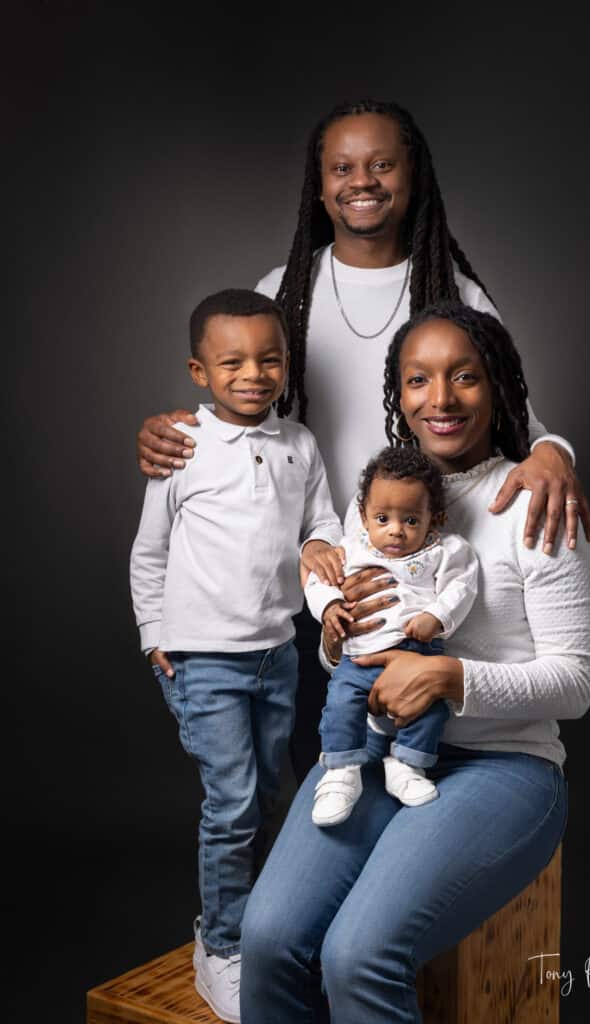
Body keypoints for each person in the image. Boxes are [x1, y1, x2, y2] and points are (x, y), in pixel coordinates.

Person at [134, 98, 590, 780]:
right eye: (342, 166)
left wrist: (556, 451)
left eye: (382, 164)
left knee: (402, 767)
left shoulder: (453, 290)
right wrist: (173, 429)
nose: (363, 180)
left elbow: (511, 409)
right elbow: (241, 404)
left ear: (413, 178)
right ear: (318, 186)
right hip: (316, 582)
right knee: (306, 774)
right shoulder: (285, 288)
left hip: (419, 568)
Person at [238, 302, 590, 1024]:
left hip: (501, 767)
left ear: (496, 385)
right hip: (370, 755)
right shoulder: (378, 502)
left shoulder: (536, 501)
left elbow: (575, 684)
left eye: (463, 376)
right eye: (417, 380)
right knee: (269, 940)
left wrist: (449, 676)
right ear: (397, 395)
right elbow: (348, 634)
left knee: (358, 954)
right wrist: (336, 636)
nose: (440, 399)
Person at [129, 288, 342, 1023]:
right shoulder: (185, 445)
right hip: (204, 661)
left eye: (269, 359)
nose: (253, 373)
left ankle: (263, 932)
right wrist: (155, 636)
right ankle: (220, 946)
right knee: (231, 806)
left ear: (286, 366)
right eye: (232, 362)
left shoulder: (301, 445)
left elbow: (323, 518)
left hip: (278, 656)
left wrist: (321, 540)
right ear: (198, 370)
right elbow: (148, 554)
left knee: (273, 800)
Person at [306, 446, 478, 825]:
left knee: (431, 710)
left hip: (419, 655)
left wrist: (437, 615)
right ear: (364, 516)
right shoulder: (350, 549)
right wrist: (331, 607)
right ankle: (340, 773)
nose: (395, 530)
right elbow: (319, 582)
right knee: (340, 704)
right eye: (382, 518)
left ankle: (406, 766)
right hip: (359, 657)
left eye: (411, 520)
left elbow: (462, 588)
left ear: (436, 518)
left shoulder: (447, 551)